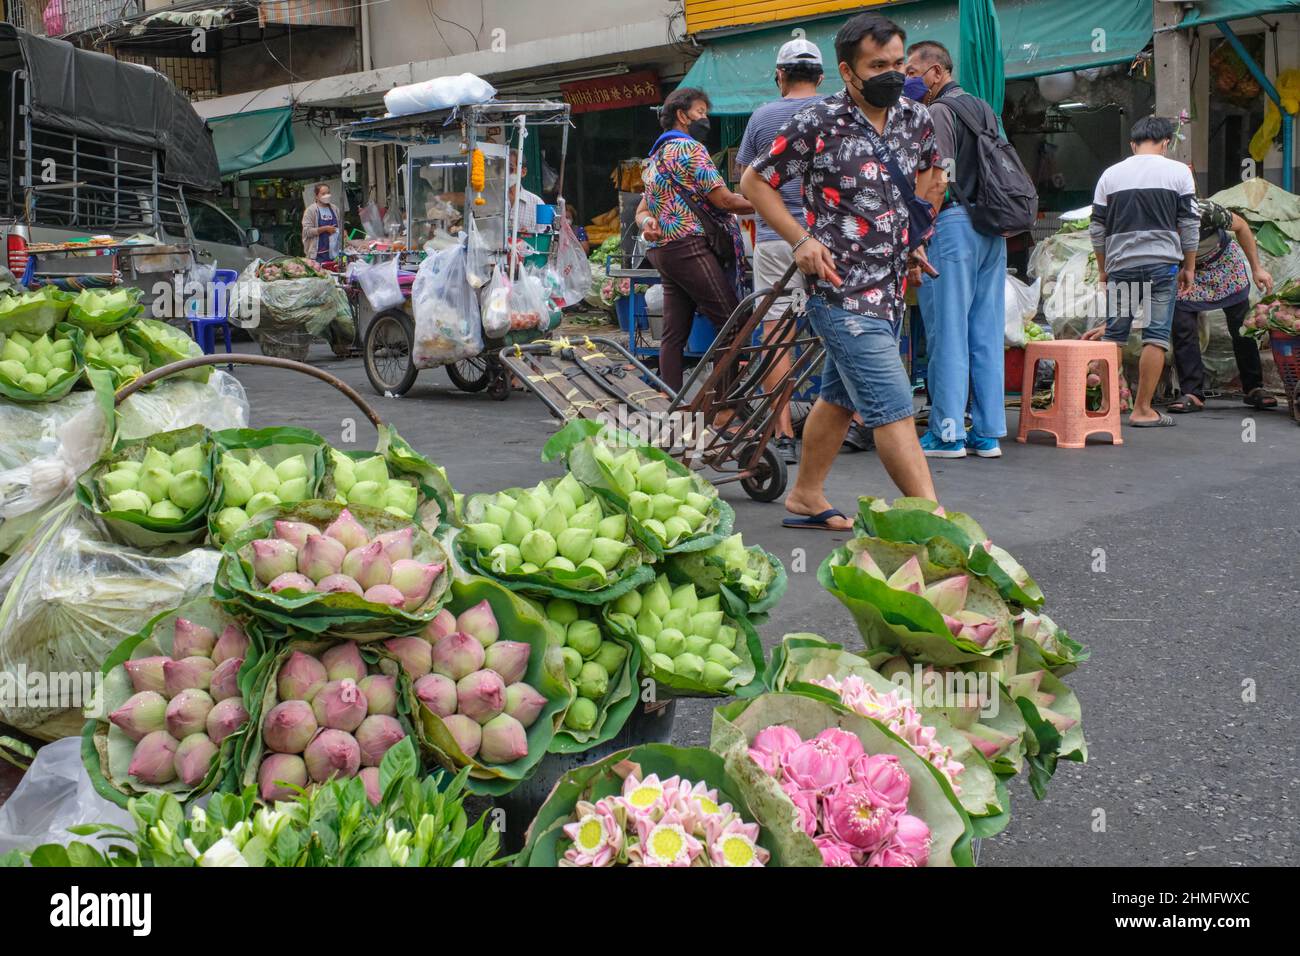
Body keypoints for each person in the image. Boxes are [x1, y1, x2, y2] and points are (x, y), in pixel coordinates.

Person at [741, 11, 941, 530]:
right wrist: (800, 240)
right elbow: (753, 182)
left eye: (899, 62)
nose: (893, 74)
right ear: (848, 72)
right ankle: (937, 525)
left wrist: (914, 240)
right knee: (892, 404)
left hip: (891, 286)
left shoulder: (915, 118)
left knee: (839, 397)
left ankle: (806, 495)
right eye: (878, 65)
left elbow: (929, 178)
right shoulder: (815, 122)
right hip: (838, 288)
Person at [905, 40, 1008, 459]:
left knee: (947, 331)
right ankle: (986, 433)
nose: (907, 79)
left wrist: (919, 233)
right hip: (992, 226)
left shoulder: (937, 112)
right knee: (984, 332)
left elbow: (938, 177)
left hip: (952, 226)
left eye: (912, 71)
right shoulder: (983, 108)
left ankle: (947, 432)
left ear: (936, 72)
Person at [736, 38, 826, 465]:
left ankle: (784, 433)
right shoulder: (836, 112)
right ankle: (858, 421)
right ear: (822, 77)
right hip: (830, 238)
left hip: (776, 239)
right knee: (842, 331)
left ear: (780, 76)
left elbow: (747, 180)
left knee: (777, 335)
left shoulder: (763, 117)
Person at [635, 87, 754, 393]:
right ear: (681, 115)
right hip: (689, 247)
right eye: (701, 112)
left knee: (674, 334)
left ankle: (669, 400)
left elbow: (641, 211)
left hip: (665, 252)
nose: (706, 119)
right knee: (733, 326)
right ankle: (720, 405)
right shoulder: (691, 150)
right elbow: (725, 201)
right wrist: (771, 203)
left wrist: (650, 223)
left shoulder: (655, 156)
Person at [1083, 116, 1198, 427]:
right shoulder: (1179, 173)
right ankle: (1143, 410)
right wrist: (1189, 266)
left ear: (1133, 145)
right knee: (1156, 336)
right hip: (1162, 264)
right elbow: (1189, 223)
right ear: (1166, 143)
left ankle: (1108, 408)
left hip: (1121, 265)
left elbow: (1097, 228)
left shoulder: (1110, 175)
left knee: (1114, 338)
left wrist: (1103, 269)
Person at [1168, 198, 1275, 412]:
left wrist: (1257, 269)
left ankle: (1254, 388)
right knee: (1183, 327)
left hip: (1223, 264)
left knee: (1242, 327)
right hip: (1185, 272)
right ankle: (1192, 392)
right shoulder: (1155, 219)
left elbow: (1242, 226)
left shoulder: (1205, 210)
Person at [302, 183, 340, 264]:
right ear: (316, 196)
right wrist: (325, 229)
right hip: (317, 256)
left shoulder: (335, 209)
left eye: (328, 193)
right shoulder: (310, 210)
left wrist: (342, 232)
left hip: (334, 254)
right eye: (323, 194)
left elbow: (339, 227)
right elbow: (307, 231)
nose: (327, 196)